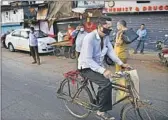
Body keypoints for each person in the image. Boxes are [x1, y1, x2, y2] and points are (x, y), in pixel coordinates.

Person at [78, 18, 130, 119]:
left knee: (107, 82)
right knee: (105, 83)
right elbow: (88, 60)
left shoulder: (105, 37)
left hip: (97, 65)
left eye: (111, 27)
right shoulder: (89, 38)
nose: (109, 30)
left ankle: (99, 104)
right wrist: (104, 70)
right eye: (107, 27)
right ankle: (101, 112)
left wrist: (122, 63)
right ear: (99, 26)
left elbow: (111, 52)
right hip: (86, 67)